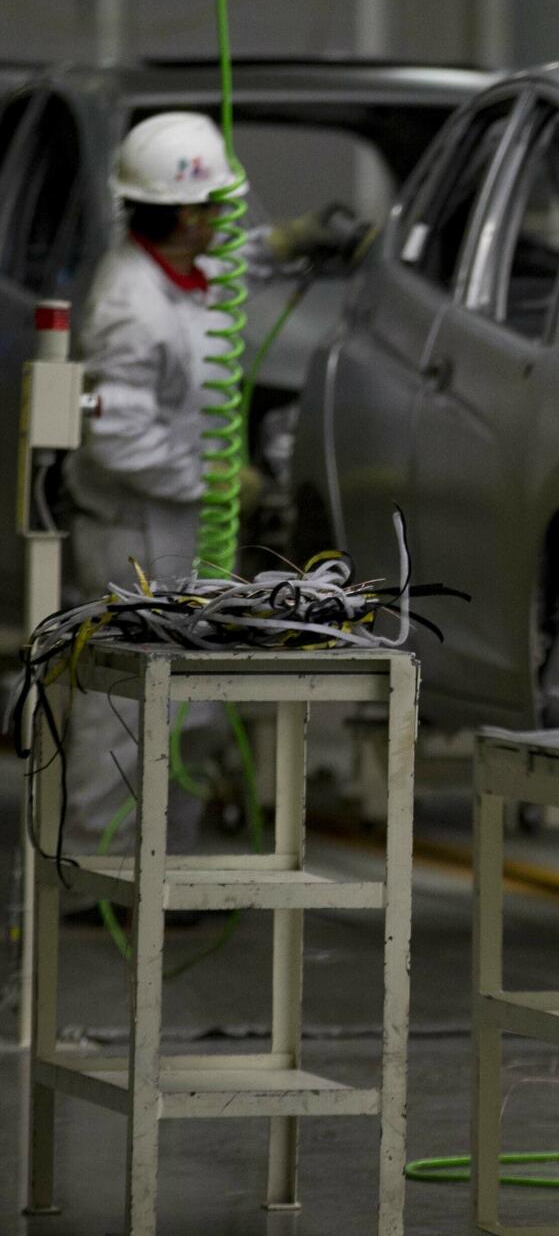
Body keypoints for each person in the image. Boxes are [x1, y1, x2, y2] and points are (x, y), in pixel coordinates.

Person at [63, 111, 353, 861]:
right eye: (218, 207)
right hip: (133, 533)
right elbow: (119, 436)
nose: (227, 218)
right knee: (126, 708)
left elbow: (231, 265)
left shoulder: (182, 270)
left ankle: (172, 869)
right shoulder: (131, 307)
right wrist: (218, 479)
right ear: (188, 213)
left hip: (184, 529)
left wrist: (289, 243)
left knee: (189, 704)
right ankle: (102, 865)